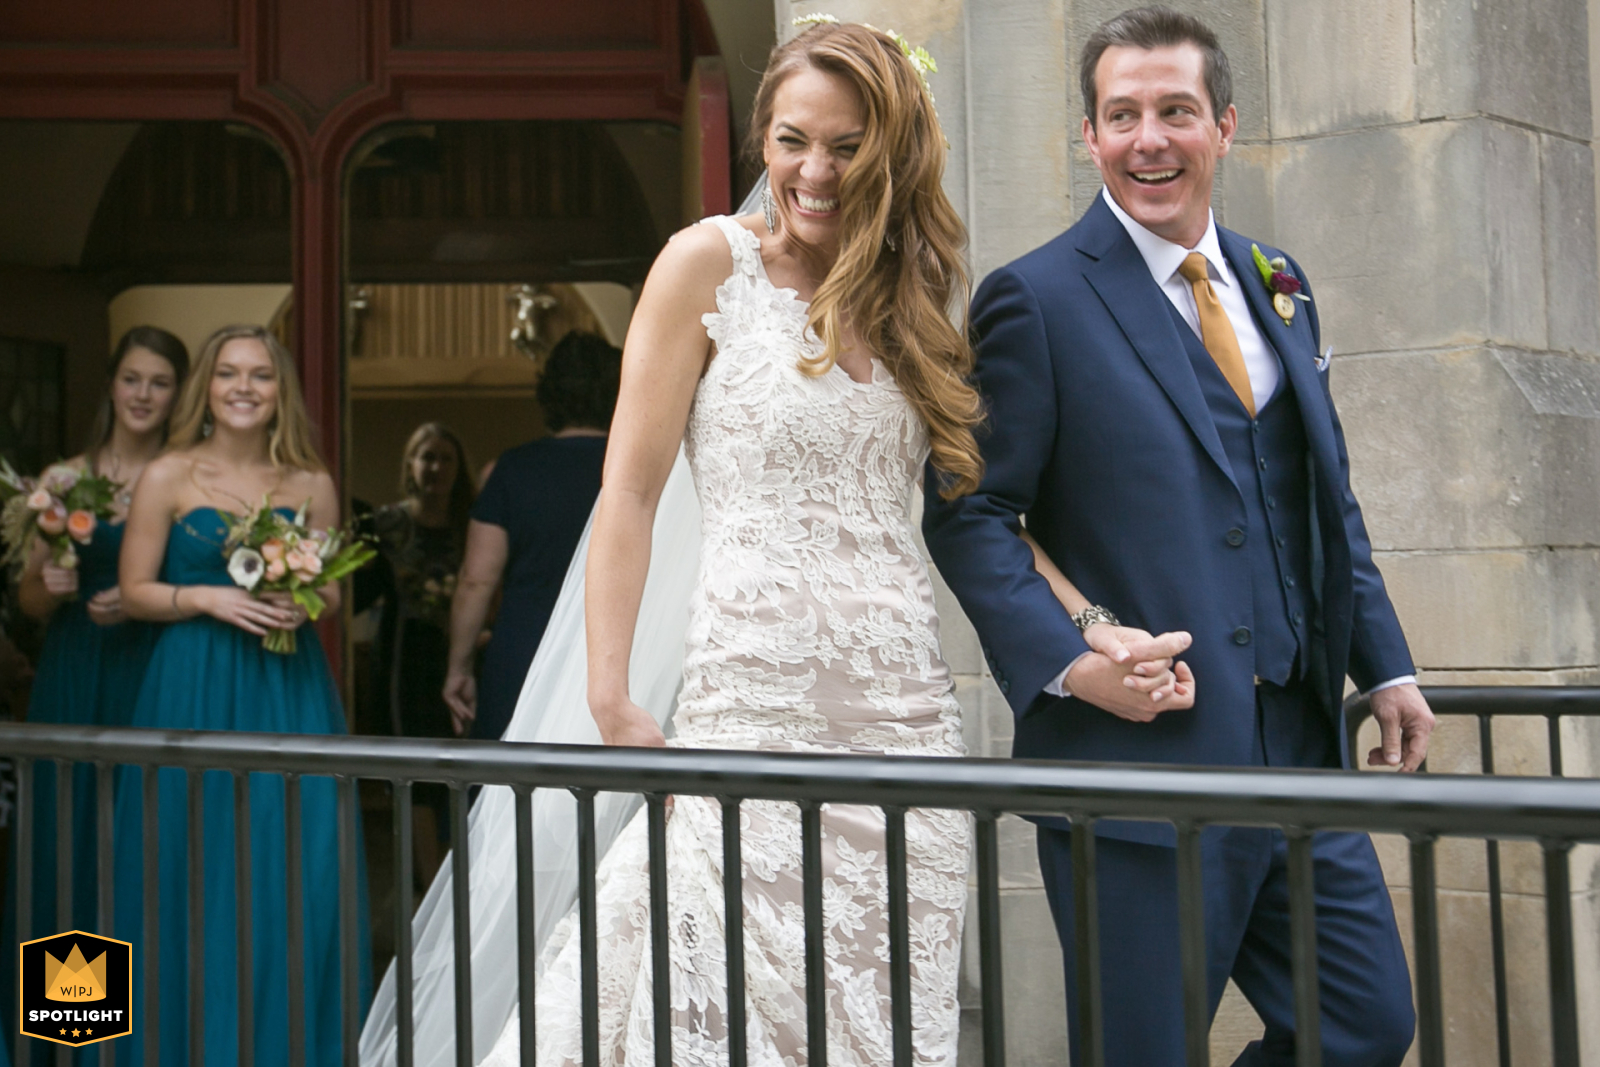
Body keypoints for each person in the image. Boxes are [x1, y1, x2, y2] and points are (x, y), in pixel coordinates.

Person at [923, 8, 1437, 1065]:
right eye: (1121, 115)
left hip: (1294, 750)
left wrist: (1383, 666)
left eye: (1174, 111)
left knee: (1364, 1024)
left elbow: (1323, 499)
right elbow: (968, 511)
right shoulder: (1035, 299)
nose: (1147, 138)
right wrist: (1073, 664)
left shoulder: (1277, 281)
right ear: (1088, 136)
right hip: (1132, 767)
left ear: (1224, 125)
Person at [111, 324, 370, 1066]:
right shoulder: (167, 475)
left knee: (293, 862)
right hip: (189, 683)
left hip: (286, 687)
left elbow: (333, 597)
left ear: (279, 389)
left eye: (259, 375)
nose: (244, 387)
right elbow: (133, 591)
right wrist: (207, 599)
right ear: (208, 388)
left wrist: (303, 599)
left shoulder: (311, 483)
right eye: (228, 373)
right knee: (182, 860)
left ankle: (284, 1043)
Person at [0, 326, 187, 1066]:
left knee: (146, 844)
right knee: (70, 846)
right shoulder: (65, 476)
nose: (143, 394)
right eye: (132, 378)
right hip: (77, 671)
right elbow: (26, 602)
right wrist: (46, 589)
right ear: (111, 384)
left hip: (155, 668)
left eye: (160, 382)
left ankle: (150, 1034)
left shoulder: (183, 476)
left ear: (179, 394)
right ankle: (69, 1035)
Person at [442, 330, 617, 743]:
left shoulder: (513, 470)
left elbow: (476, 580)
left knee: (515, 782)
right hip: (615, 647)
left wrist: (458, 668)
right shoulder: (636, 470)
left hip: (525, 647)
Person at [360, 423, 472, 879]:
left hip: (461, 654)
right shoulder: (386, 523)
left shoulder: (470, 523)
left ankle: (462, 876)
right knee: (412, 768)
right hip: (404, 656)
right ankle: (429, 882)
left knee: (459, 766)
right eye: (427, 456)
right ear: (410, 463)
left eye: (446, 458)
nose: (436, 467)